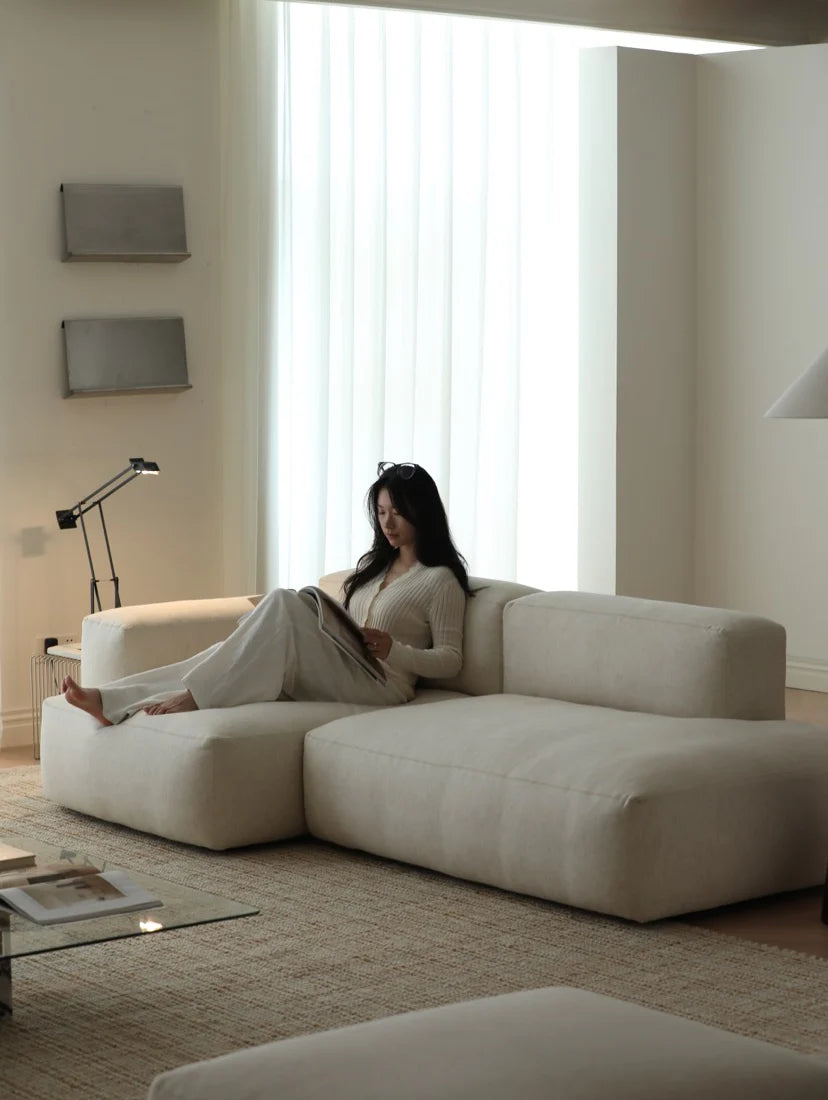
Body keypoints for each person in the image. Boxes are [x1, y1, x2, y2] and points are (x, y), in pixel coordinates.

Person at [62, 461, 472, 726]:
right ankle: (108, 697)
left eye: (398, 512)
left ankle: (195, 695)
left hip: (383, 686)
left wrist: (393, 649)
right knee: (242, 636)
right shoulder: (373, 570)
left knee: (279, 603)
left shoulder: (440, 580)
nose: (388, 522)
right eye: (381, 512)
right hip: (347, 664)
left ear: (423, 511)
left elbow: (451, 660)